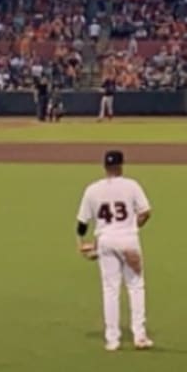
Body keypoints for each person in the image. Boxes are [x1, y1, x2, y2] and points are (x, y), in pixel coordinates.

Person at [75, 149, 152, 352]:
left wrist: (82, 243)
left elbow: (82, 223)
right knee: (135, 286)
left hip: (105, 241)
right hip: (129, 241)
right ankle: (140, 336)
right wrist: (132, 225)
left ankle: (112, 339)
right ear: (121, 165)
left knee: (110, 290)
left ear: (104, 167)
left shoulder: (92, 189)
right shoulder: (131, 185)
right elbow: (145, 212)